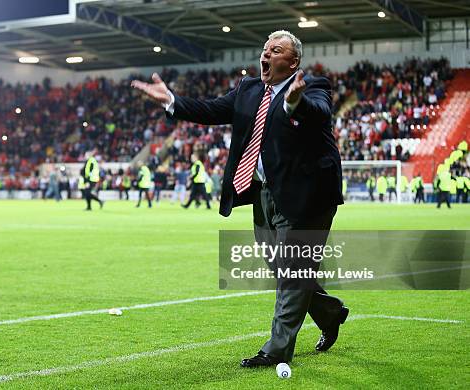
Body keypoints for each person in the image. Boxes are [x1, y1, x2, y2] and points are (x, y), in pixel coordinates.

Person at [132, 29, 347, 367]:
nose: (266, 54)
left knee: (292, 270)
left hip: (309, 195)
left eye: (275, 50)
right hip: (264, 192)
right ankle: (329, 312)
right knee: (279, 264)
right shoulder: (248, 90)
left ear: (293, 62)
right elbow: (209, 110)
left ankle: (276, 350)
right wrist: (171, 101)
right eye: (265, 48)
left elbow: (317, 113)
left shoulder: (314, 87)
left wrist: (294, 101)